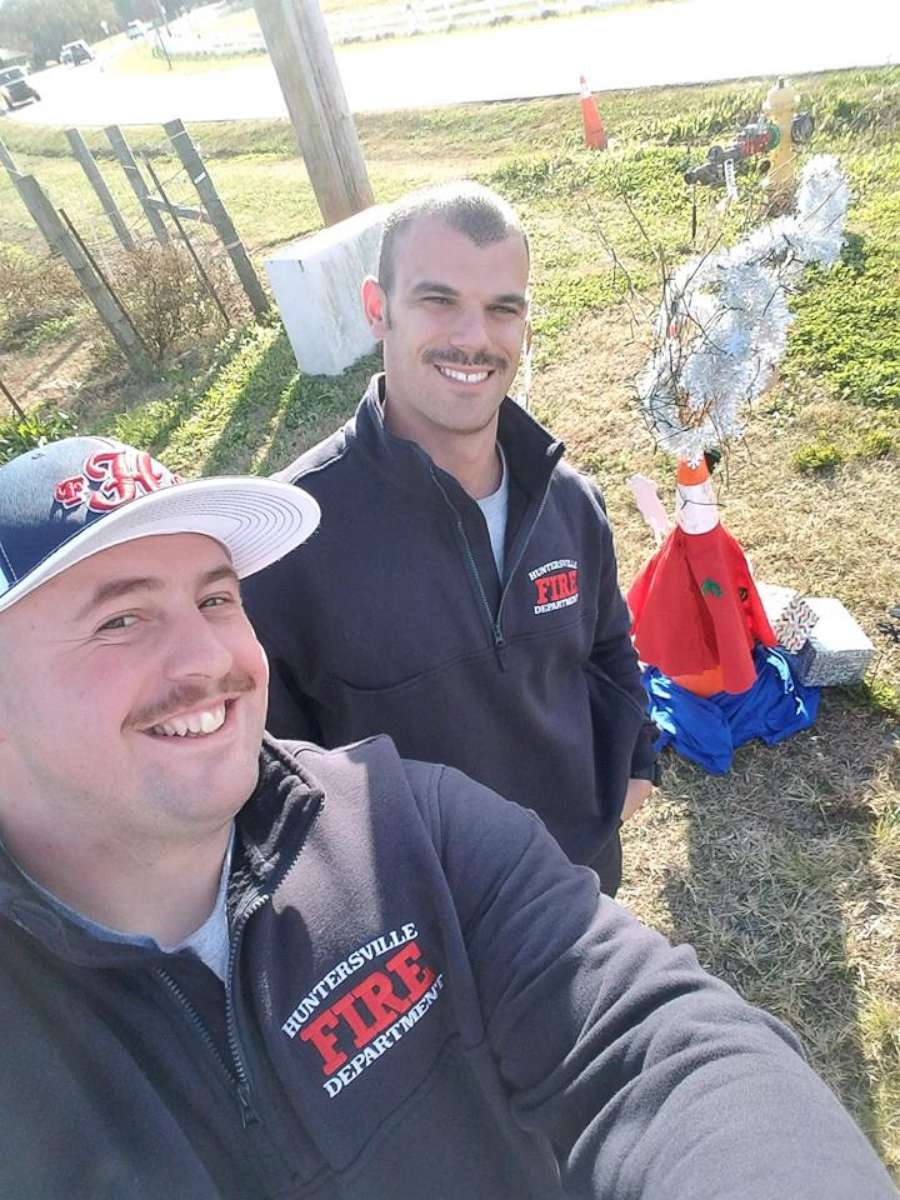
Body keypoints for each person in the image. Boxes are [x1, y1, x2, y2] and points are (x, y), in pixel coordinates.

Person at [0, 434, 894, 1199]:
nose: (211, 658)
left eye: (217, 597)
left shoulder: (405, 828)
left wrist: (633, 763)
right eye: (119, 620)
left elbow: (657, 1048)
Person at [243, 181, 657, 895]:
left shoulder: (569, 502)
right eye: (439, 300)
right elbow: (269, 771)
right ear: (378, 309)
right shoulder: (288, 540)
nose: (474, 338)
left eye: (503, 309)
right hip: (425, 934)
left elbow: (609, 651)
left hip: (584, 890)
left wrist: (633, 774)